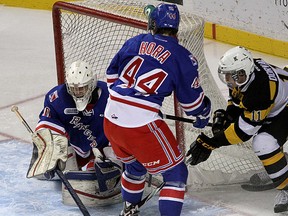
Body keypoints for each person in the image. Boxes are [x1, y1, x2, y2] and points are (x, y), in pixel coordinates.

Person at [103, 3, 211, 216]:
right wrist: (203, 113)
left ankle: (129, 209)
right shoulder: (183, 56)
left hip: (111, 119)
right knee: (176, 174)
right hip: (141, 124)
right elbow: (191, 103)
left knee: (135, 166)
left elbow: (111, 77)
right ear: (176, 28)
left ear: (153, 24)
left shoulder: (134, 42)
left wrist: (133, 102)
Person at [186, 46, 288, 213]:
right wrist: (228, 116)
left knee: (264, 142)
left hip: (285, 106)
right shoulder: (244, 74)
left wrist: (211, 143)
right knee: (266, 134)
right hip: (278, 102)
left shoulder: (259, 90)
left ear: (242, 73)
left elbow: (243, 133)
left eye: (231, 76)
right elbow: (237, 100)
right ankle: (279, 166)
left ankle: (287, 188)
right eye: (226, 75)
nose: (228, 80)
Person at [27, 60, 122, 206]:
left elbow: (122, 124)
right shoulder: (57, 97)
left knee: (112, 161)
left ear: (92, 84)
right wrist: (49, 144)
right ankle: (56, 166)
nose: (78, 92)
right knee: (56, 160)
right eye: (74, 88)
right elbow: (46, 122)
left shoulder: (109, 94)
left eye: (82, 88)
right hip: (76, 146)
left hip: (104, 145)